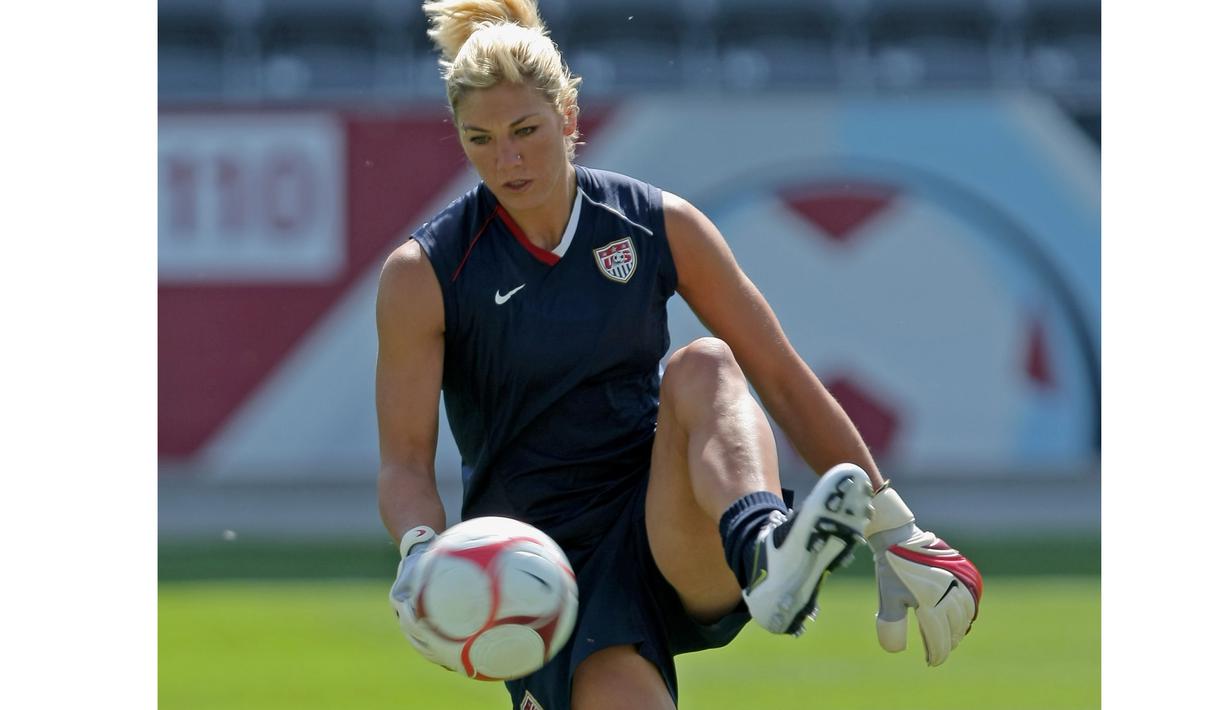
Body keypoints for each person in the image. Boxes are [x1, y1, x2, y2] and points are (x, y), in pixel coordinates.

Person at [377, 1, 983, 708]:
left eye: (524, 131)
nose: (505, 159)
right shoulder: (425, 271)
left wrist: (894, 527)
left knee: (706, 363)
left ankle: (767, 552)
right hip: (544, 570)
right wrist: (421, 554)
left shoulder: (657, 224)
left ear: (567, 117)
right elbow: (406, 461)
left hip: (671, 525)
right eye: (479, 139)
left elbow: (778, 376)